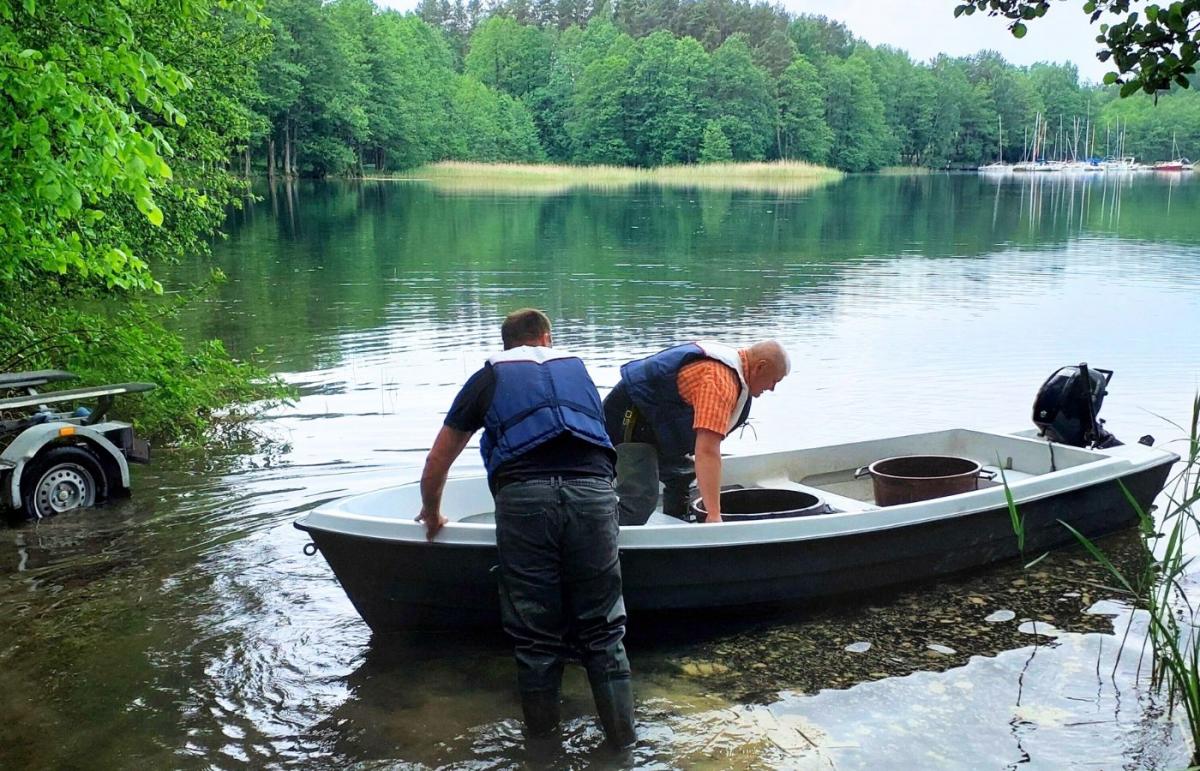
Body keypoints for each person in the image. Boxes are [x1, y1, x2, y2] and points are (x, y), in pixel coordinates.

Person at [417, 309, 636, 751]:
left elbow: (438, 460)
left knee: (536, 638)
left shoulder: (488, 378)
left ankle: (542, 751)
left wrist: (432, 513)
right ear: (546, 338)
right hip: (594, 496)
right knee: (603, 632)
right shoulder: (578, 372)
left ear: (507, 345)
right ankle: (624, 747)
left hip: (525, 500)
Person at [603, 340, 790, 525]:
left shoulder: (737, 374)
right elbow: (707, 451)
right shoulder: (719, 381)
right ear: (760, 367)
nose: (772, 388)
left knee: (682, 475)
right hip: (629, 417)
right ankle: (602, 537)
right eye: (774, 380)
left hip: (656, 423)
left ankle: (678, 528)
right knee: (640, 498)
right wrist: (714, 515)